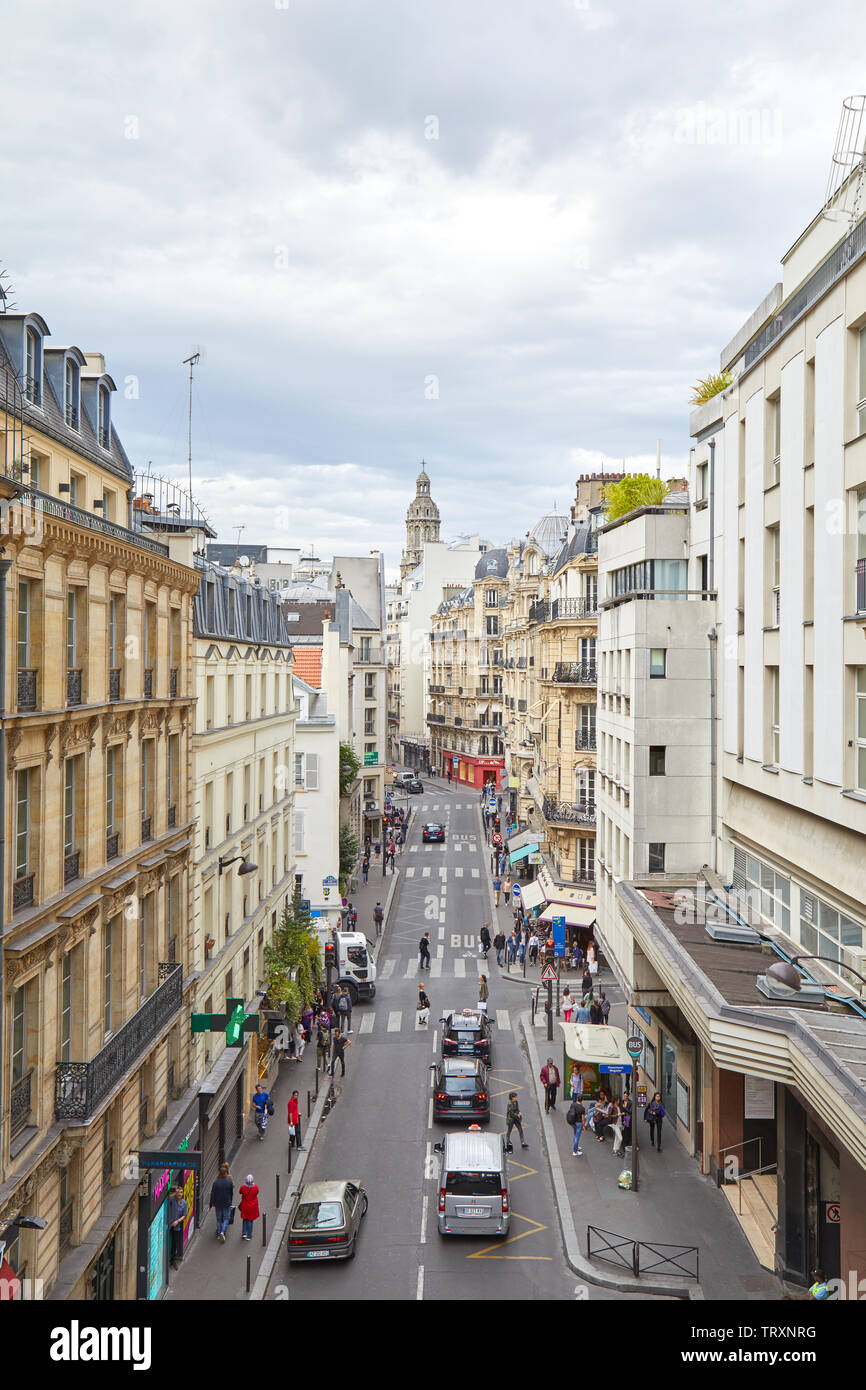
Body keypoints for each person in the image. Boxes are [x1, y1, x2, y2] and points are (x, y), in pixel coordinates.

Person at [209, 1162, 233, 1243]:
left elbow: (212, 1194)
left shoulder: (216, 1183)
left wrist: (210, 1204)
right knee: (226, 1218)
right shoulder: (229, 1182)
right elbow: (231, 1193)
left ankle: (219, 1234)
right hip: (226, 1203)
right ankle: (223, 1231)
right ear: (226, 1173)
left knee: (219, 1219)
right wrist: (230, 1201)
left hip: (218, 1203)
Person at [168, 1185, 188, 1269]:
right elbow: (168, 1197)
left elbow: (184, 1215)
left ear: (183, 1193)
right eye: (178, 1192)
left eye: (181, 1192)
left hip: (177, 1226)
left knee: (174, 1244)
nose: (179, 1194)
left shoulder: (184, 1203)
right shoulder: (172, 1200)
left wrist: (177, 1221)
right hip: (169, 1224)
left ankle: (173, 1260)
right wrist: (174, 1193)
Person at [239, 1174, 260, 1240]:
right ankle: (249, 1235)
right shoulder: (255, 1187)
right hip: (252, 1206)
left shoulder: (243, 1187)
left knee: (245, 1219)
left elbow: (240, 1192)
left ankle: (244, 1233)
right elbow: (257, 1192)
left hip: (245, 1205)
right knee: (250, 1220)